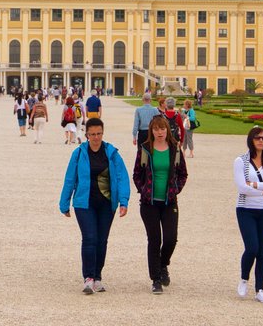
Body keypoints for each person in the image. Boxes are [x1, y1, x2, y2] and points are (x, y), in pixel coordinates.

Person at [59, 118, 130, 294]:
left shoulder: (112, 153)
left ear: (102, 133)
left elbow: (122, 177)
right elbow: (70, 178)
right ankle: (88, 277)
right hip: (85, 203)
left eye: (99, 134)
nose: (96, 137)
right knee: (90, 238)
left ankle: (98, 276)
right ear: (87, 134)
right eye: (92, 134)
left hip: (107, 203)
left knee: (101, 240)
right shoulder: (79, 153)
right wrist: (64, 203)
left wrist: (124, 201)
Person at [132, 115, 188, 294]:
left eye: (162, 128)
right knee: (154, 240)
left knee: (171, 239)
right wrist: (143, 190)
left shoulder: (175, 149)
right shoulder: (145, 149)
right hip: (149, 203)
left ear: (167, 129)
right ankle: (156, 279)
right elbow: (137, 173)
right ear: (152, 131)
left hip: (169, 201)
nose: (160, 132)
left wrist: (176, 189)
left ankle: (163, 265)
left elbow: (183, 173)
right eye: (156, 129)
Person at [233, 126, 263, 303]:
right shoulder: (241, 161)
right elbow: (241, 187)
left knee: (262, 252)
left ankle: (260, 288)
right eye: (257, 138)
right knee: (252, 247)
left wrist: (254, 185)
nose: (261, 141)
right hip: (246, 209)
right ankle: (244, 278)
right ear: (251, 140)